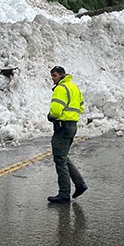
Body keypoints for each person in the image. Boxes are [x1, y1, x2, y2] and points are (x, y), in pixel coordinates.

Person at [47, 66, 88, 204]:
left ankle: (64, 194)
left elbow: (56, 110)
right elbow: (81, 106)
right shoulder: (74, 87)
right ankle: (80, 184)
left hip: (62, 127)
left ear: (61, 75)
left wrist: (51, 116)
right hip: (72, 125)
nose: (53, 78)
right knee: (63, 157)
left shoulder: (60, 88)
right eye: (52, 76)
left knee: (59, 159)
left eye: (54, 75)